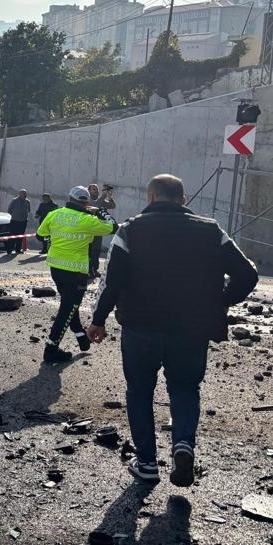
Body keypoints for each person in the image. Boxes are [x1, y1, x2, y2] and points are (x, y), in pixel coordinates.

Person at [87, 174, 258, 487]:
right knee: (184, 388)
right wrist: (218, 302)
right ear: (184, 200)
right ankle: (183, 445)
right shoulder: (211, 230)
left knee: (139, 392)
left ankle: (148, 465)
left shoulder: (130, 230)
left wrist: (98, 320)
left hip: (140, 327)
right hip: (191, 329)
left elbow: (113, 283)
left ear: (151, 197)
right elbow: (248, 274)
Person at [36, 186, 116, 363]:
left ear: (70, 198)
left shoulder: (54, 214)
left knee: (70, 306)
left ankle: (82, 338)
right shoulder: (86, 219)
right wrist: (100, 211)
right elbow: (113, 227)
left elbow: (40, 235)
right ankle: (51, 348)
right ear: (86, 202)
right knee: (67, 309)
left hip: (56, 268)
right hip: (76, 272)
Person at [88, 183, 117, 278]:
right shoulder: (88, 201)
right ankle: (88, 270)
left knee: (96, 250)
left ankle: (94, 269)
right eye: (94, 189)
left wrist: (109, 196)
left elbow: (112, 206)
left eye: (97, 189)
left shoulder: (100, 201)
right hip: (88, 230)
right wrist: (104, 194)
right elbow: (96, 205)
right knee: (89, 251)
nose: (96, 191)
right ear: (89, 191)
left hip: (98, 229)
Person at [5, 189, 31, 254]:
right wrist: (15, 215)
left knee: (20, 236)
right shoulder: (14, 201)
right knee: (12, 235)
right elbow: (9, 210)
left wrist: (24, 216)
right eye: (23, 193)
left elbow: (29, 210)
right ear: (19, 194)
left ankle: (18, 250)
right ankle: (9, 250)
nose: (25, 195)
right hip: (15, 221)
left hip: (23, 221)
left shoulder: (27, 201)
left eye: (25, 193)